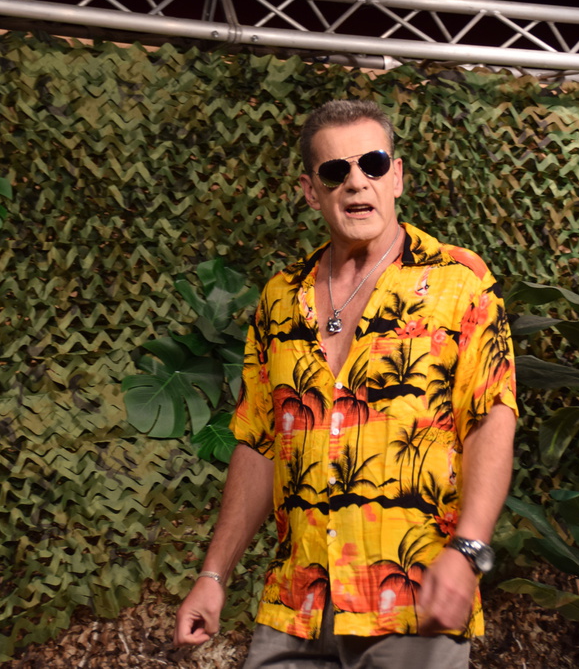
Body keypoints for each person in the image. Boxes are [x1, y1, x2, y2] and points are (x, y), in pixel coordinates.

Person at [174, 99, 517, 668]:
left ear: (396, 176)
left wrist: (468, 549)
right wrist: (213, 576)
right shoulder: (280, 299)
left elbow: (490, 421)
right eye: (336, 171)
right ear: (312, 191)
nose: (357, 182)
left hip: (410, 600)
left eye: (372, 164)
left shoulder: (460, 285)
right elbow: (259, 444)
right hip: (296, 605)